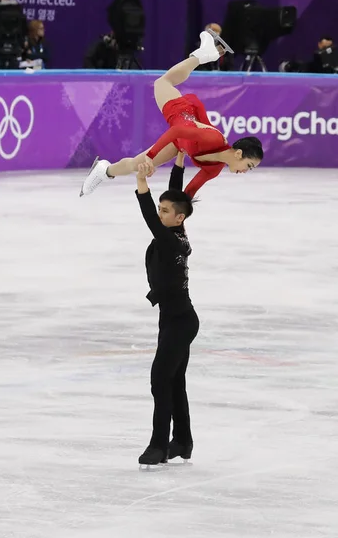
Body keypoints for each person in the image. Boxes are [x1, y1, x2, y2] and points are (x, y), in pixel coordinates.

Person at [80, 30, 263, 199]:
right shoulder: (213, 139)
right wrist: (151, 157)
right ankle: (202, 55)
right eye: (249, 166)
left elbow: (188, 193)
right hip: (180, 114)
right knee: (163, 82)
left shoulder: (214, 169)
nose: (245, 171)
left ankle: (103, 170)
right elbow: (176, 131)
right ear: (239, 154)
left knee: (135, 165)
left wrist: (179, 217)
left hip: (180, 141)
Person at [136, 152, 199, 466]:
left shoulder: (170, 240)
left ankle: (159, 445)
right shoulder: (178, 230)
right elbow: (178, 199)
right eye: (159, 209)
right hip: (176, 319)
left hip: (179, 322)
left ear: (178, 219)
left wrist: (142, 182)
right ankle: (183, 441)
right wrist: (178, 164)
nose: (160, 214)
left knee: (160, 380)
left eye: (165, 211)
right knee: (174, 381)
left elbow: (151, 218)